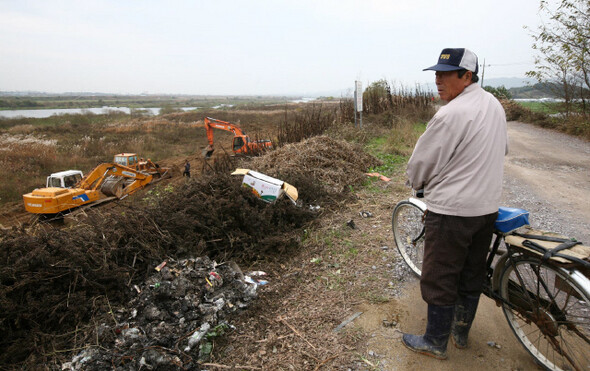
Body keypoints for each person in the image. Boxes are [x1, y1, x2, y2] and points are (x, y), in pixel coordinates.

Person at [402, 48, 508, 360]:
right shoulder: (494, 104)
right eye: (436, 73)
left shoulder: (450, 114)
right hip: (486, 209)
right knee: (472, 271)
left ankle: (435, 341)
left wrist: (417, 184)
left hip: (452, 213)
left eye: (446, 73)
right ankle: (460, 333)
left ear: (467, 75)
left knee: (440, 275)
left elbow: (421, 163)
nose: (438, 79)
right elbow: (502, 149)